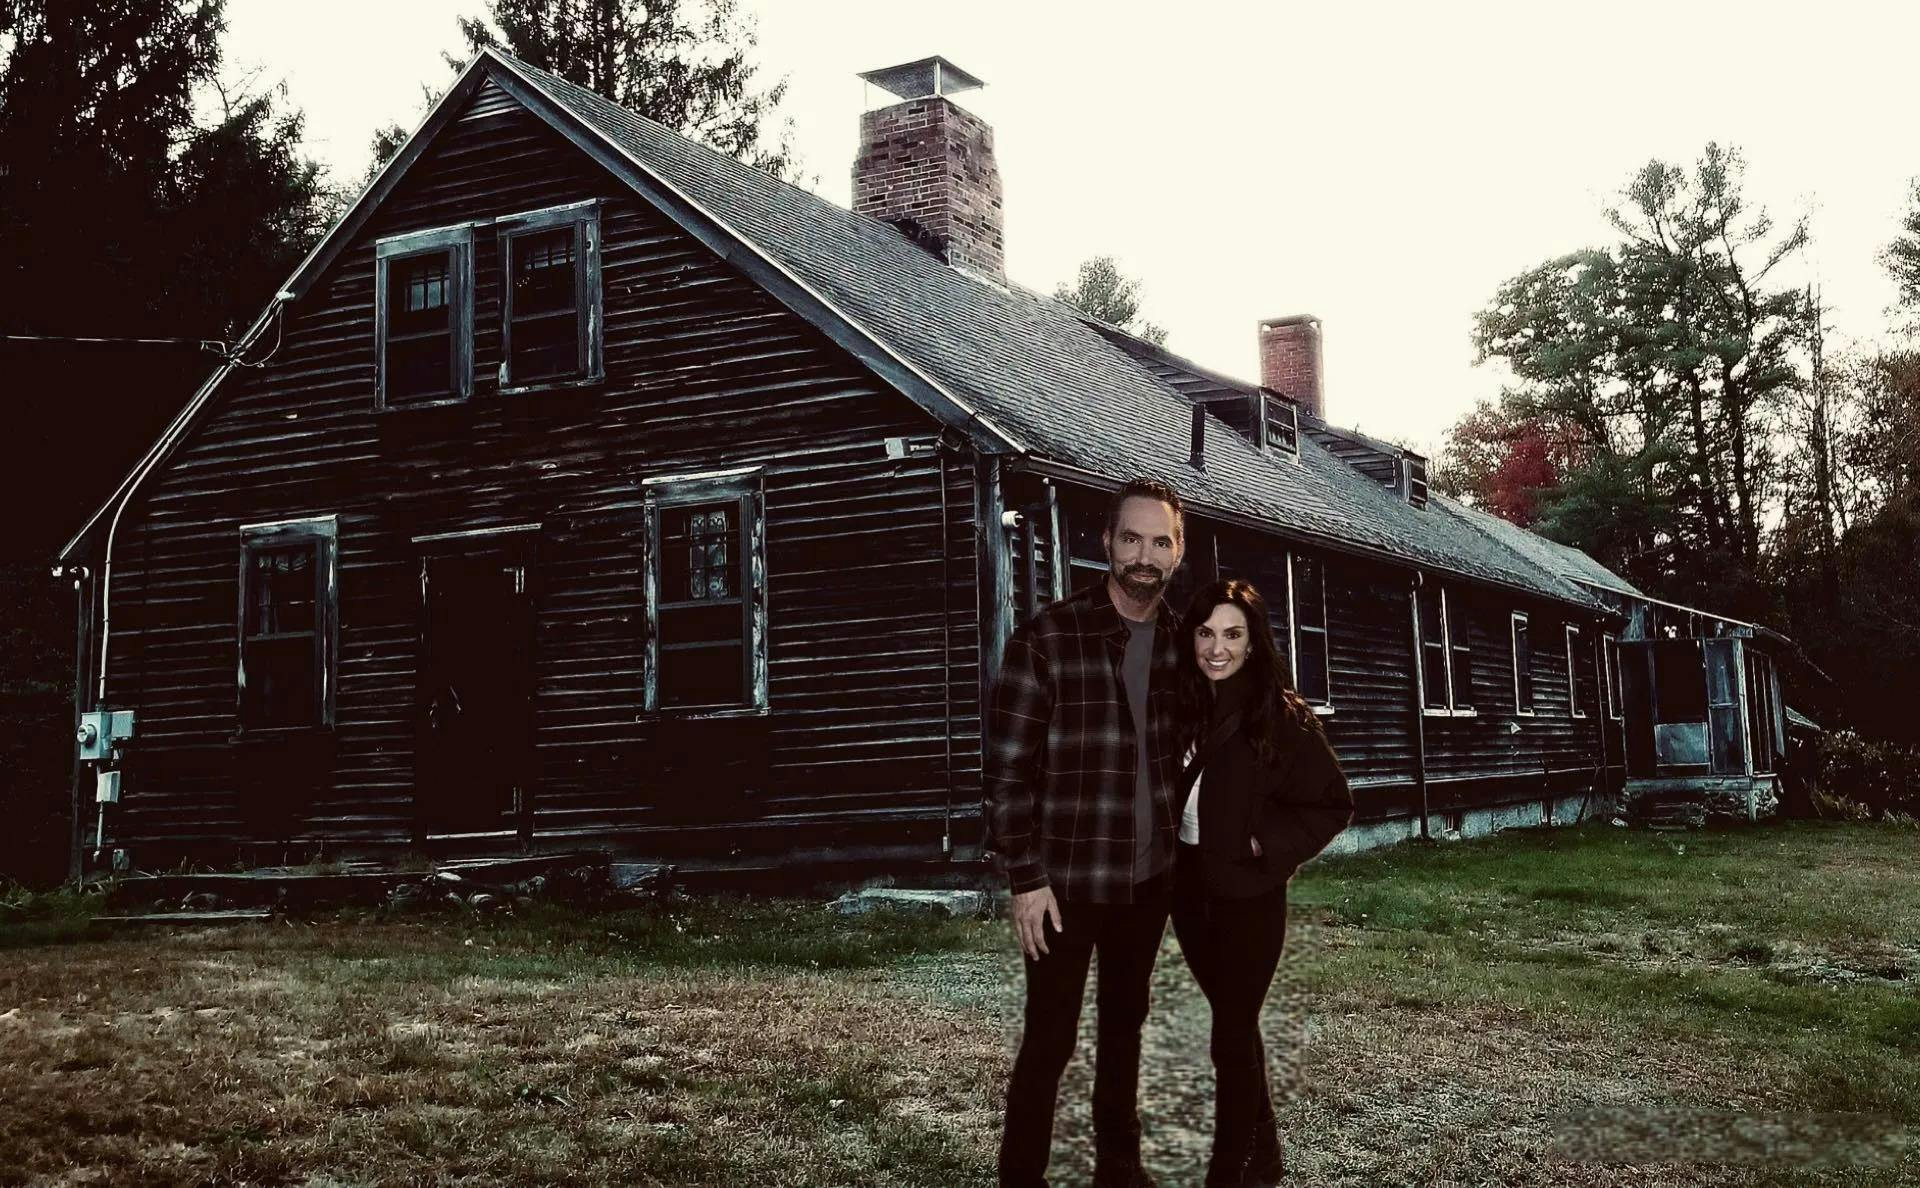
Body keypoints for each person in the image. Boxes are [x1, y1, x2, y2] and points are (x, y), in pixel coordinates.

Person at [985, 477, 1190, 1188]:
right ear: (1105, 544)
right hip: (1065, 884)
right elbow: (1007, 770)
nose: (1144, 555)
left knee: (1125, 1026)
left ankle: (1120, 1169)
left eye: (1159, 541)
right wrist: (1026, 879)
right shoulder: (1049, 637)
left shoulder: (1182, 644)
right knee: (1051, 1037)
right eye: (1130, 538)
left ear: (1178, 551)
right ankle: (1021, 1176)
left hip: (1148, 881)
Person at [1172, 578, 1354, 1187]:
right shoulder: (1182, 704)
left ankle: (1227, 1173)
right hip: (1189, 893)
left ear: (1253, 643)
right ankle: (1265, 1159)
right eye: (1205, 633)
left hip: (1250, 898)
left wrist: (1265, 842)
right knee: (1237, 1025)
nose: (1216, 648)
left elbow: (1332, 803)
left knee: (1229, 1032)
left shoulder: (1279, 715)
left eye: (1231, 634)